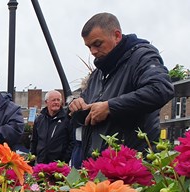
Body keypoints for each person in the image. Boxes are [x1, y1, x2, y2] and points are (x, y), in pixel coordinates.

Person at [68, 12, 174, 160]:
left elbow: (160, 89)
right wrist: (78, 105)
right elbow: (86, 109)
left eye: (97, 44)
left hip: (132, 166)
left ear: (117, 36)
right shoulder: (97, 75)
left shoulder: (142, 57)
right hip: (100, 167)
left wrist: (110, 107)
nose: (92, 52)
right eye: (89, 47)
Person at [30, 90, 74, 164]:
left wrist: (64, 160)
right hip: (41, 164)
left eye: (58, 100)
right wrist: (31, 160)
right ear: (46, 102)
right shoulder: (39, 120)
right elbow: (34, 141)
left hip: (59, 165)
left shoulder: (67, 120)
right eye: (53, 100)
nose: (56, 102)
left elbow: (72, 142)